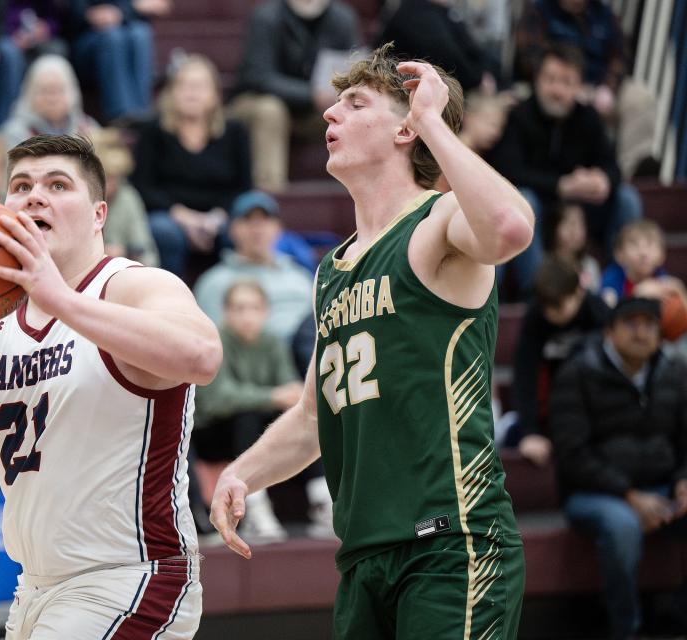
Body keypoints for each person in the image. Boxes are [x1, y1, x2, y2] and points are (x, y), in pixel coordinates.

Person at [210, 43, 533, 638]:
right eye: (334, 103)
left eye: (355, 103)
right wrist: (243, 472)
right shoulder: (330, 269)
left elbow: (511, 227)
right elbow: (312, 417)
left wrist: (435, 121)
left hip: (452, 545)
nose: (331, 114)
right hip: (362, 555)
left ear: (406, 128)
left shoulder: (439, 222)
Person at [0, 134, 222, 638]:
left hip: (133, 576)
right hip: (35, 588)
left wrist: (61, 298)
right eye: (21, 185)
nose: (34, 195)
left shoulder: (134, 286)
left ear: (98, 214)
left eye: (57, 185)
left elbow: (202, 357)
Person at [549, 296, 687, 640]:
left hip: (662, 489)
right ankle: (626, 628)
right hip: (594, 494)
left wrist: (685, 480)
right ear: (609, 330)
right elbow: (572, 455)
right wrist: (628, 494)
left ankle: (678, 617)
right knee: (622, 527)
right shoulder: (577, 372)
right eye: (631, 323)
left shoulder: (674, 372)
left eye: (649, 325)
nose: (641, 332)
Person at [486, 43, 641, 300]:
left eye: (567, 82)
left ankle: (621, 283)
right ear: (537, 80)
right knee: (524, 200)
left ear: (579, 86)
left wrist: (602, 180)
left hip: (581, 208)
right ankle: (539, 292)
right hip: (540, 206)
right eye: (551, 80)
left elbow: (612, 166)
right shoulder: (520, 116)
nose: (557, 90)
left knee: (627, 198)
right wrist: (561, 185)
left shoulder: (588, 117)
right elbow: (507, 170)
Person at [194, 280, 331, 541]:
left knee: (309, 419)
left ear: (265, 312)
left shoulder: (272, 342)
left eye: (254, 308)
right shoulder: (217, 341)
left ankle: (322, 500)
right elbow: (217, 399)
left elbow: (292, 392)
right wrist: (272, 396)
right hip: (213, 433)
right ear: (226, 312)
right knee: (247, 416)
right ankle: (254, 507)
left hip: (254, 428)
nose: (247, 316)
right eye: (239, 308)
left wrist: (283, 398)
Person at [132, 54, 252, 278]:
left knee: (238, 230)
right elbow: (143, 186)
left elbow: (243, 187)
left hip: (219, 215)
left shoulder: (235, 132)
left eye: (200, 86)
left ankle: (231, 296)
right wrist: (184, 217)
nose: (192, 92)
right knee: (164, 232)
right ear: (171, 93)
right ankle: (169, 299)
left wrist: (217, 217)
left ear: (215, 95)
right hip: (170, 215)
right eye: (185, 85)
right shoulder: (153, 131)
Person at [514, 0, 658, 178]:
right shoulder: (539, 11)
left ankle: (628, 176)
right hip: (551, 82)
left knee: (640, 97)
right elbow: (529, 58)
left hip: (597, 87)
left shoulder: (604, 15)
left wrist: (608, 88)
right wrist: (567, 84)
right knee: (515, 96)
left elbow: (620, 58)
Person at [227, 0, 360, 191]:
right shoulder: (266, 16)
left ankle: (359, 191)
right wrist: (310, 95)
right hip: (257, 103)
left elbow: (356, 70)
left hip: (315, 110)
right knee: (270, 110)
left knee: (359, 112)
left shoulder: (343, 18)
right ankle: (271, 195)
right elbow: (257, 77)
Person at [507, 255, 608, 464]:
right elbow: (525, 375)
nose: (551, 314)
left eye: (559, 306)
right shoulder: (535, 318)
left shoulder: (598, 312)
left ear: (579, 292)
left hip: (594, 406)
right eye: (546, 307)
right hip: (551, 410)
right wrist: (530, 432)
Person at [193, 190, 313, 345]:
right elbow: (212, 344)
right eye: (248, 220)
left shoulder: (301, 277)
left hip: (306, 361)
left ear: (278, 228)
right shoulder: (213, 282)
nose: (257, 229)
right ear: (232, 229)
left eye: (265, 220)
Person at [69, 0, 169, 122]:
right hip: (89, 44)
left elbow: (157, 5)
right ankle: (121, 116)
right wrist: (131, 8)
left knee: (141, 33)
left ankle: (142, 112)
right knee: (113, 37)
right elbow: (78, 12)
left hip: (127, 33)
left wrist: (121, 12)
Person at [91, 127, 159, 266]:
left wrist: (126, 254)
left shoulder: (128, 197)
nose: (113, 185)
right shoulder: (77, 200)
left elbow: (148, 254)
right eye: (107, 177)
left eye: (117, 177)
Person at [0, 54, 99, 148]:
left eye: (58, 90)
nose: (52, 99)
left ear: (73, 92)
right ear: (30, 94)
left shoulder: (88, 128)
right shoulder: (15, 133)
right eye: (45, 91)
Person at [545, 202, 601, 292]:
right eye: (568, 223)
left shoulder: (590, 265)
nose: (574, 231)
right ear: (554, 227)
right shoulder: (544, 263)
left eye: (580, 224)